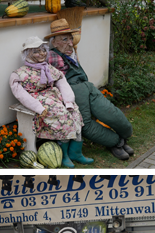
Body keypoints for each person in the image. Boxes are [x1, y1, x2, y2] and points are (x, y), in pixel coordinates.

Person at [45, 19, 134, 160]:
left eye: (70, 38)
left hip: (88, 86)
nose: (70, 43)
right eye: (64, 39)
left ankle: (125, 135)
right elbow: (41, 69)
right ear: (54, 42)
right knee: (86, 124)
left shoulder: (70, 53)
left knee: (110, 112)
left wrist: (72, 53)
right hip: (73, 91)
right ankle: (115, 143)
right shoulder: (51, 55)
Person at [10, 35, 92, 169]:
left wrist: (69, 101)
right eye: (36, 51)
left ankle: (76, 153)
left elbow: (63, 83)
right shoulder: (19, 74)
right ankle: (64, 154)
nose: (41, 53)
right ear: (27, 54)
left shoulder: (49, 68)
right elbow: (21, 94)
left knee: (75, 112)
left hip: (55, 97)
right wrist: (38, 108)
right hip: (39, 101)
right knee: (61, 115)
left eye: (43, 50)